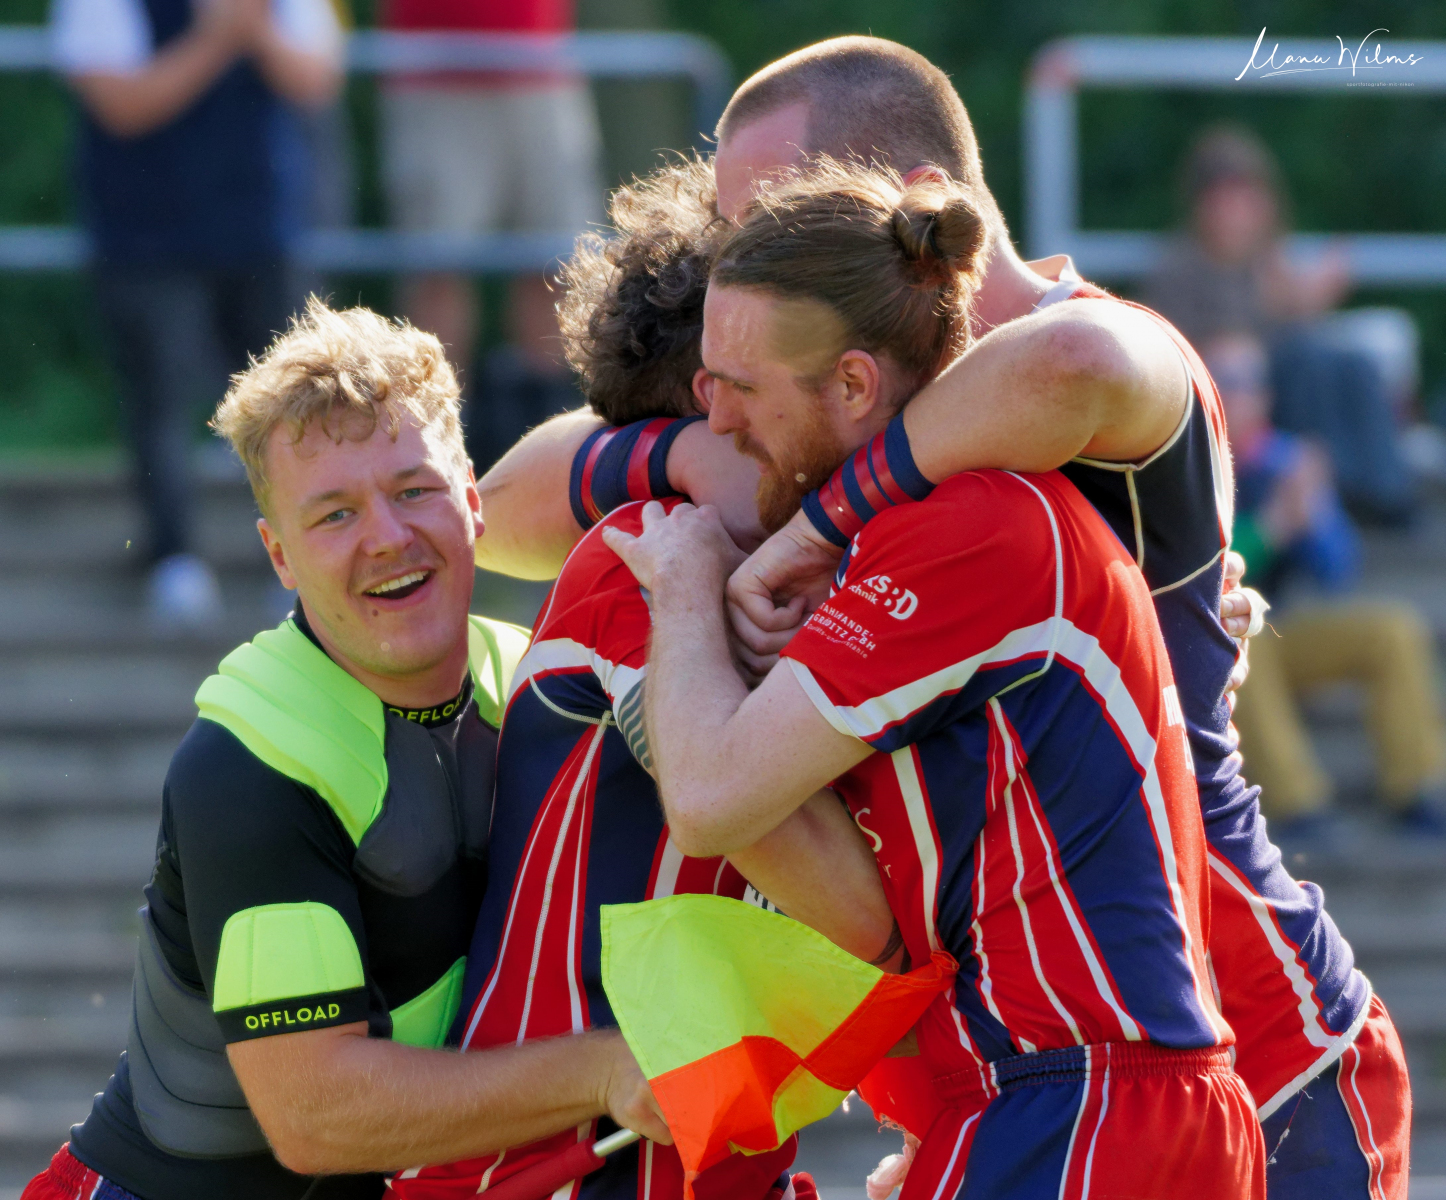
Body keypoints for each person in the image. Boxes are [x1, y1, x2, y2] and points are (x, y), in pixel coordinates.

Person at [476, 38, 1410, 1198]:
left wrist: (824, 522)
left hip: (1245, 1049)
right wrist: (689, 459)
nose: (738, 266)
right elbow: (494, 512)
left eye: (764, 222)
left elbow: (1066, 364)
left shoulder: (1078, 365)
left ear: (905, 204)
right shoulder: (828, 407)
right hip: (1032, 1062)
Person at [605, 160, 1265, 1198]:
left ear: (854, 386)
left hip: (1083, 1105)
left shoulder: (960, 524)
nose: (716, 423)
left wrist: (685, 583)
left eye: (739, 388)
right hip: (1062, 1096)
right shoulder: (928, 518)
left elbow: (710, 797)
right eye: (703, 387)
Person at [19, 300, 669, 1200]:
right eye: (333, 515)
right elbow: (316, 1116)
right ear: (279, 556)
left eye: (414, 491)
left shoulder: (538, 680)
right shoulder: (251, 760)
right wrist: (604, 1072)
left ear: (473, 501)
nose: (387, 538)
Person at [388, 160, 895, 1200]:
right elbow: (864, 921)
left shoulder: (727, 566)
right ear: (718, 408)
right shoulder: (654, 564)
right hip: (559, 1173)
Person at [51, 0, 343, 629]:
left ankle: (303, 564)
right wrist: (218, 40)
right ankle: (172, 560)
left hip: (262, 229)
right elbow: (120, 104)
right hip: (144, 236)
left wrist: (248, 32)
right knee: (159, 398)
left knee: (296, 404)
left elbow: (316, 79)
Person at [1207, 333, 1446, 842]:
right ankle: (1300, 806)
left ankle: (1417, 790)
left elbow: (1338, 570)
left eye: (1248, 382)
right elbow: (1202, 572)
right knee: (1244, 640)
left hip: (1285, 627)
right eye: (1222, 380)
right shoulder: (1184, 466)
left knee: (1392, 630)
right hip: (1211, 641)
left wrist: (1315, 513)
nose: (1234, 394)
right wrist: (1273, 525)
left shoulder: (1283, 459)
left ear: (1266, 396)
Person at [1144, 124, 1417, 526]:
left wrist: (1309, 299)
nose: (1239, 213)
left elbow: (1288, 320)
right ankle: (1344, 490)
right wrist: (1284, 305)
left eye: (1248, 198)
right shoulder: (1181, 269)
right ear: (1202, 205)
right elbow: (1200, 350)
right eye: (1228, 200)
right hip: (1230, 401)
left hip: (1276, 387)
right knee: (1306, 361)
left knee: (1355, 362)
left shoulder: (1263, 262)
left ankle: (1387, 489)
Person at [379, 0, 603, 468]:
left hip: (541, 61)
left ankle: (551, 450)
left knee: (555, 264)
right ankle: (432, 449)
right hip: (436, 69)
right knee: (436, 270)